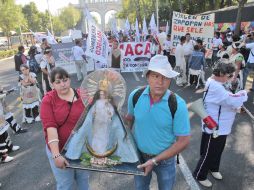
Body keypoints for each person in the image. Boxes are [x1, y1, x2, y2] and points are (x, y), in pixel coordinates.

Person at [126, 55, 191, 190]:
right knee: (140, 187)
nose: (160, 82)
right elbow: (129, 120)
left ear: (170, 80)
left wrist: (155, 160)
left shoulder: (177, 104)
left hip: (165, 161)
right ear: (148, 76)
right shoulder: (135, 96)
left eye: (165, 77)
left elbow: (183, 141)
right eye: (155, 76)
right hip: (139, 157)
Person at [193, 60, 248, 187]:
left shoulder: (215, 81)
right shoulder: (216, 86)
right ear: (222, 73)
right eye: (229, 75)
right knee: (209, 152)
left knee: (217, 150)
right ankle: (199, 174)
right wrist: (243, 93)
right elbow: (230, 99)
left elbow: (226, 99)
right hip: (214, 126)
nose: (230, 78)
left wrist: (236, 105)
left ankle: (213, 168)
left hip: (220, 126)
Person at [40, 67, 89, 190]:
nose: (63, 84)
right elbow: (50, 128)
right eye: (58, 82)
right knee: (65, 185)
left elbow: (93, 116)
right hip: (60, 150)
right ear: (52, 84)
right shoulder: (48, 100)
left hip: (81, 149)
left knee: (83, 180)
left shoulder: (82, 94)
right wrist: (56, 155)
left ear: (69, 80)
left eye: (65, 80)